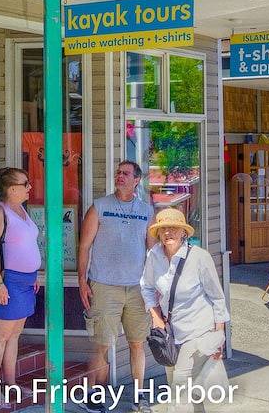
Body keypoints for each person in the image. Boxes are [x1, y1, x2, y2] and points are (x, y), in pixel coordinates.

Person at [78, 161, 154, 413]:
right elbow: (84, 246)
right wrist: (82, 281)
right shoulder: (99, 207)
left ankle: (139, 397)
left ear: (137, 180)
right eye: (118, 172)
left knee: (137, 343)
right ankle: (93, 395)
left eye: (125, 173)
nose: (120, 176)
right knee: (102, 344)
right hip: (104, 285)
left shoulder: (146, 211)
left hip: (136, 288)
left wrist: (156, 285)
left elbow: (153, 251)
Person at [141, 208, 231, 413]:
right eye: (163, 228)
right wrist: (156, 317)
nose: (168, 232)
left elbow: (217, 298)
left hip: (198, 332)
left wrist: (219, 336)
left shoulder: (199, 257)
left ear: (184, 232)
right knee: (188, 389)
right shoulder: (154, 255)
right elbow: (146, 287)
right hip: (171, 335)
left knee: (180, 388)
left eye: (174, 228)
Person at [0, 167, 41, 390]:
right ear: (12, 188)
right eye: (25, 184)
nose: (29, 187)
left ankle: (10, 383)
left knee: (15, 334)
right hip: (9, 281)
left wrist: (33, 274)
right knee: (1, 335)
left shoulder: (21, 210)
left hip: (27, 281)